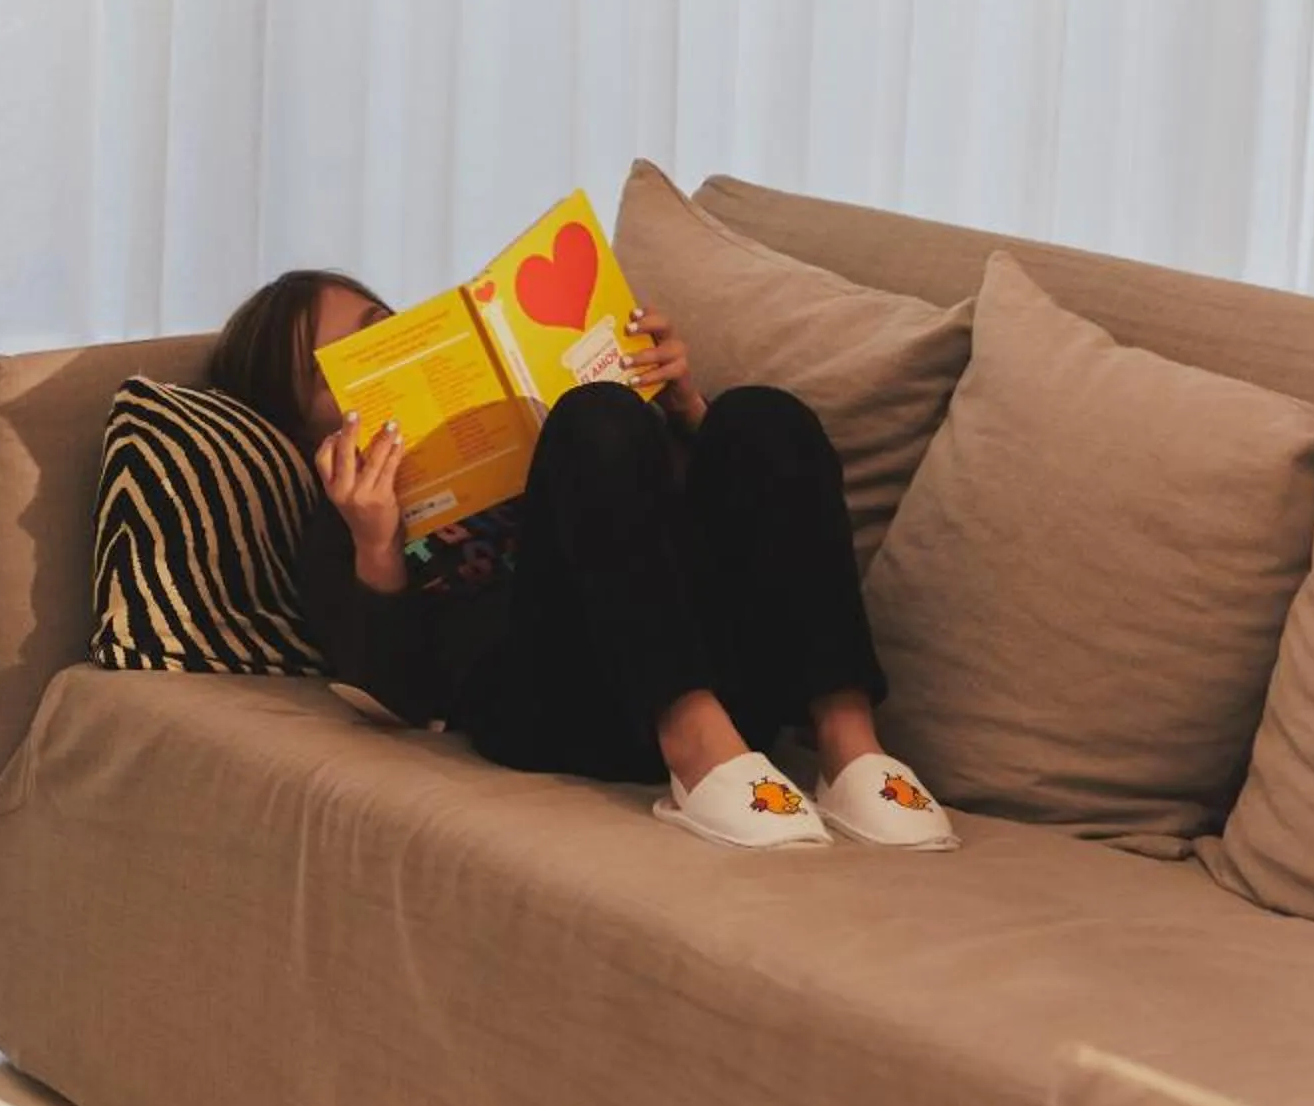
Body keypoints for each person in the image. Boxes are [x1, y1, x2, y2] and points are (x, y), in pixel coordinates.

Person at [200, 268, 956, 851]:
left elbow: (704, 532)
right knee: (593, 421)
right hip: (553, 705)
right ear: (300, 424)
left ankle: (850, 747)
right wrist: (375, 543)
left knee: (759, 413)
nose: (362, 360)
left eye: (377, 329)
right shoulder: (341, 523)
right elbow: (397, 693)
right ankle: (691, 742)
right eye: (328, 370)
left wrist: (683, 408)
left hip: (717, 679)